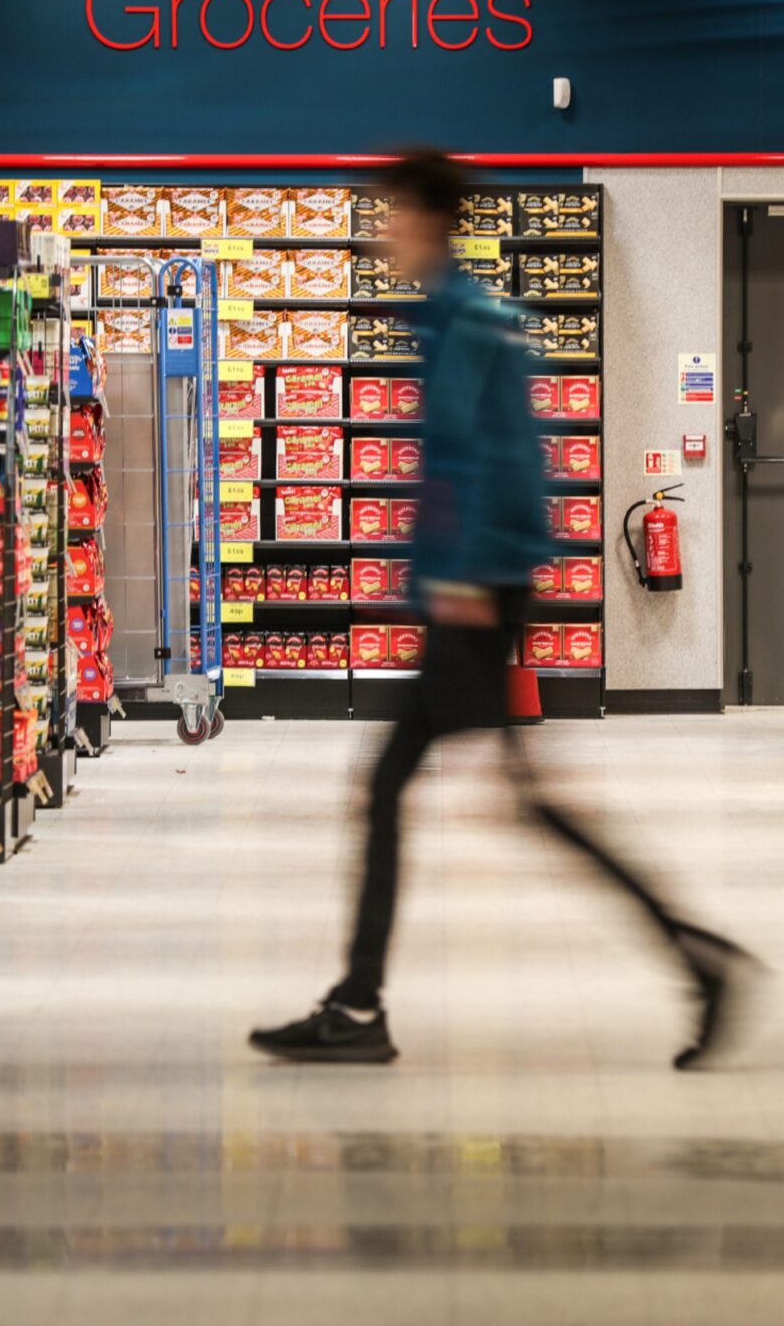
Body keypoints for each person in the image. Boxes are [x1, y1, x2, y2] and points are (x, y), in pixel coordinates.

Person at [249, 148, 756, 1071]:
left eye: (392, 216)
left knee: (426, 792)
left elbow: (509, 470)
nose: (382, 233)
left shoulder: (474, 323)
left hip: (473, 598)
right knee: (504, 799)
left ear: (427, 219)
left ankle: (365, 1005)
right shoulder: (447, 320)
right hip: (469, 593)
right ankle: (695, 958)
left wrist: (469, 590)